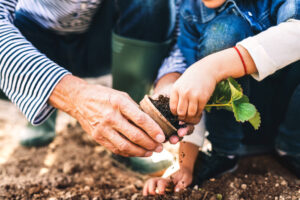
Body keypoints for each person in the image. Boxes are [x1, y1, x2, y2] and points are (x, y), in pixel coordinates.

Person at [143, 0, 300, 195]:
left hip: (288, 116)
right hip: (234, 128)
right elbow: (192, 91)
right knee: (224, 30)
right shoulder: (191, 12)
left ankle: (292, 148)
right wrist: (185, 165)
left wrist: (214, 67)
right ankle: (224, 153)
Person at [0, 0, 192, 157]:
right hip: (32, 38)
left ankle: (132, 125)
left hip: (100, 40)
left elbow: (182, 15)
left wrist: (170, 79)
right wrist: (73, 96)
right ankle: (42, 112)